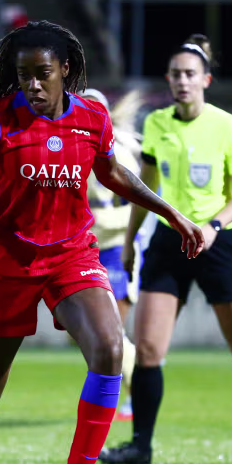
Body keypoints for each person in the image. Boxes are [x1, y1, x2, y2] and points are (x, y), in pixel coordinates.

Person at [0, 20, 204, 464]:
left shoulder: (91, 117)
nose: (32, 86)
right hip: (6, 263)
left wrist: (173, 214)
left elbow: (114, 173)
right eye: (22, 75)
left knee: (109, 350)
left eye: (42, 75)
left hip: (71, 257)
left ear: (66, 71)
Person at [100, 35, 232, 464]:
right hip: (169, 243)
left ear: (206, 79)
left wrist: (213, 226)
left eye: (190, 74)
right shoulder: (156, 124)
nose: (182, 82)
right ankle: (140, 446)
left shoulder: (228, 125)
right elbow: (143, 189)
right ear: (168, 80)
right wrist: (131, 242)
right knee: (148, 349)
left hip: (218, 242)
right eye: (176, 75)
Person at [79, 87, 142, 422]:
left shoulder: (117, 154)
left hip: (115, 249)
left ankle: (135, 391)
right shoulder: (79, 150)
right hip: (84, 248)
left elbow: (133, 206)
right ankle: (131, 387)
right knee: (90, 333)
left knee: (111, 331)